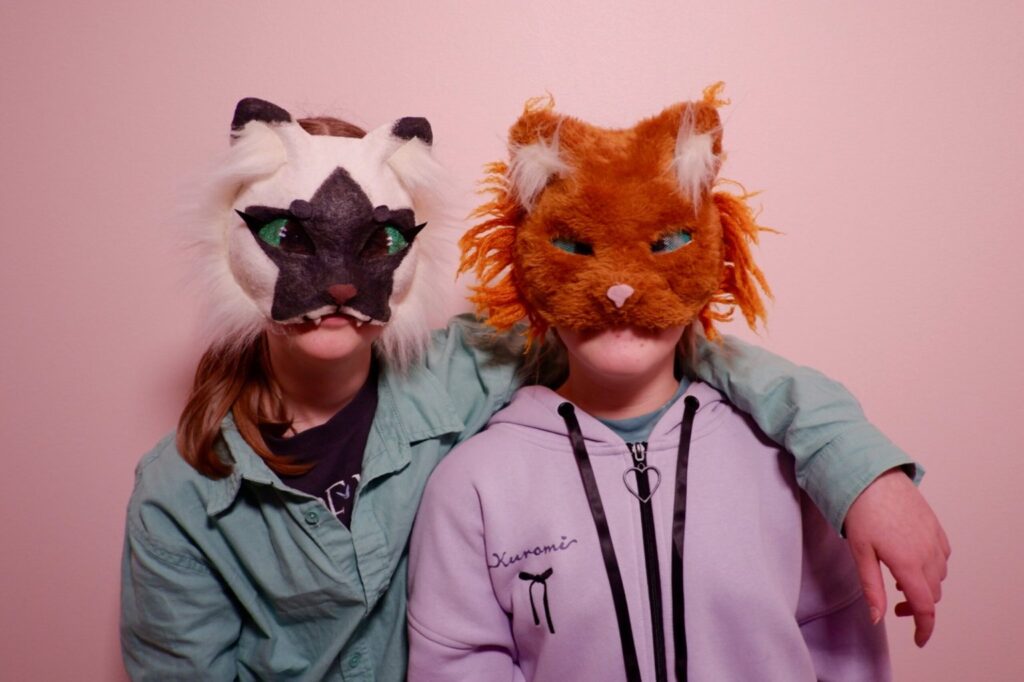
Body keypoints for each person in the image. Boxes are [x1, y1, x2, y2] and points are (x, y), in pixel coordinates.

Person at [121, 96, 947, 681]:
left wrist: (861, 472)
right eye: (291, 238)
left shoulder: (469, 369)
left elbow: (663, 331)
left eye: (376, 244)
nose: (337, 284)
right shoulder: (177, 495)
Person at [406, 89, 935, 680]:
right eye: (577, 248)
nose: (620, 289)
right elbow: (459, 660)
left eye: (664, 247)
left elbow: (839, 645)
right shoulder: (474, 483)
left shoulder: (785, 460)